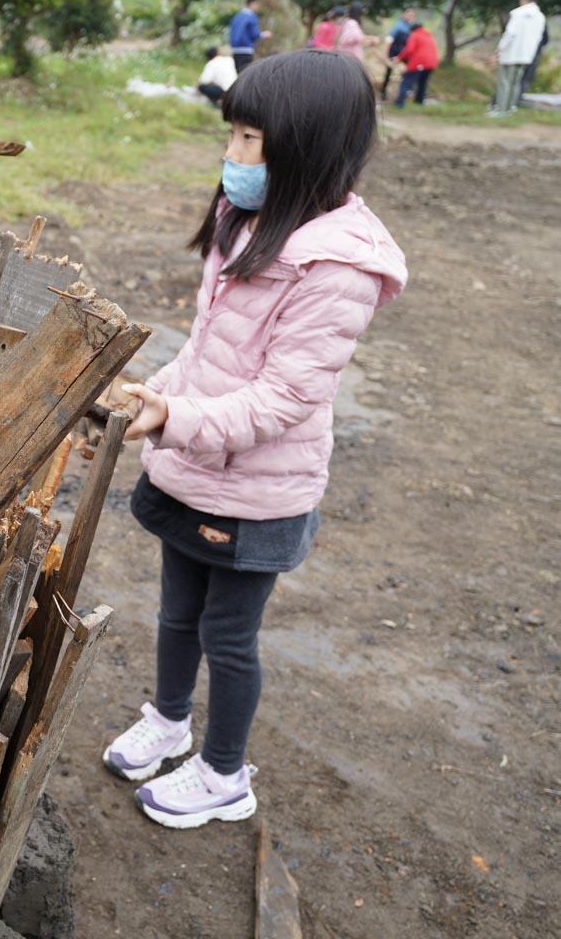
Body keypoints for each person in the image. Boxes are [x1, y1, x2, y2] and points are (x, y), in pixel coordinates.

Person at [99, 50, 407, 829]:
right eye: (230, 135)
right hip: (195, 470)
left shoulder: (337, 267)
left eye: (246, 139)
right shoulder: (245, 223)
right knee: (175, 612)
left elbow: (284, 398)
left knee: (228, 636)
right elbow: (208, 349)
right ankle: (169, 720)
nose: (230, 156)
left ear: (304, 146)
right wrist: (158, 392)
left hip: (258, 490)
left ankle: (224, 773)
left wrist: (174, 423)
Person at [492, 0, 547, 114]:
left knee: (504, 82)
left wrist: (499, 49)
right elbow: (539, 38)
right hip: (526, 55)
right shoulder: (540, 16)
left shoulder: (518, 13)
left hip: (510, 53)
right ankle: (511, 107)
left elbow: (510, 34)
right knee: (516, 82)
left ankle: (501, 108)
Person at [394, 21, 439, 107]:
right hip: (432, 63)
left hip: (419, 62)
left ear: (412, 30)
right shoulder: (428, 35)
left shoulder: (414, 35)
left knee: (406, 82)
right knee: (423, 82)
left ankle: (399, 103)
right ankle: (419, 101)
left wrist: (399, 58)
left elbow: (409, 49)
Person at [381, 6, 418, 101]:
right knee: (388, 73)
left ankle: (408, 90)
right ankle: (383, 91)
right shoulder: (398, 26)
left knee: (411, 70)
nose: (410, 16)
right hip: (394, 52)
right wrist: (385, 56)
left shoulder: (412, 27)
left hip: (405, 54)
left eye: (412, 15)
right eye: (408, 14)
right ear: (404, 14)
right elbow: (389, 40)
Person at [229, 0, 272, 72]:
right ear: (252, 4)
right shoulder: (252, 16)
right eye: (257, 4)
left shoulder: (237, 16)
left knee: (239, 74)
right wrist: (264, 34)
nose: (258, 7)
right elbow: (254, 34)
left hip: (235, 50)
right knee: (245, 74)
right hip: (246, 50)